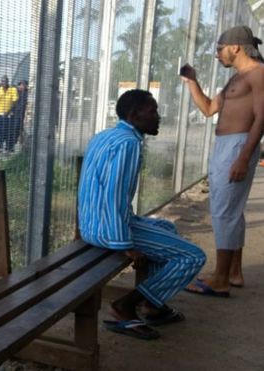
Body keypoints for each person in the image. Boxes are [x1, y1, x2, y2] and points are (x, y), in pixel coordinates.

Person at [78, 89, 206, 340]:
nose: (158, 117)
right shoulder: (128, 144)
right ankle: (125, 306)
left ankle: (154, 306)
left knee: (167, 229)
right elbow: (113, 195)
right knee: (193, 257)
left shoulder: (107, 135)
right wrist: (123, 244)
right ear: (134, 115)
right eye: (153, 111)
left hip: (92, 223)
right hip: (107, 230)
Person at [181, 26, 264, 295]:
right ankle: (233, 273)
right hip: (227, 146)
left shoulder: (259, 74)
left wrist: (244, 156)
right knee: (231, 211)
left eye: (220, 49)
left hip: (238, 145)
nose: (217, 55)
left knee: (223, 212)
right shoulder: (237, 78)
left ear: (236, 47)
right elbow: (208, 109)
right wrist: (193, 81)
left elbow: (262, 118)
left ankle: (219, 280)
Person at [0, 76, 18, 155]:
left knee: (9, 132)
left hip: (9, 115)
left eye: (5, 81)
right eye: (2, 81)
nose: (3, 83)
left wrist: (8, 111)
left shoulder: (12, 90)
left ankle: (8, 150)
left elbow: (15, 102)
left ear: (7, 82)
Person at [14, 80, 28, 146]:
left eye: (23, 85)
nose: (22, 86)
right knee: (16, 127)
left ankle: (21, 141)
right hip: (16, 113)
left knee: (22, 128)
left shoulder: (27, 93)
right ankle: (15, 140)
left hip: (24, 114)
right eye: (21, 85)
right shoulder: (16, 92)